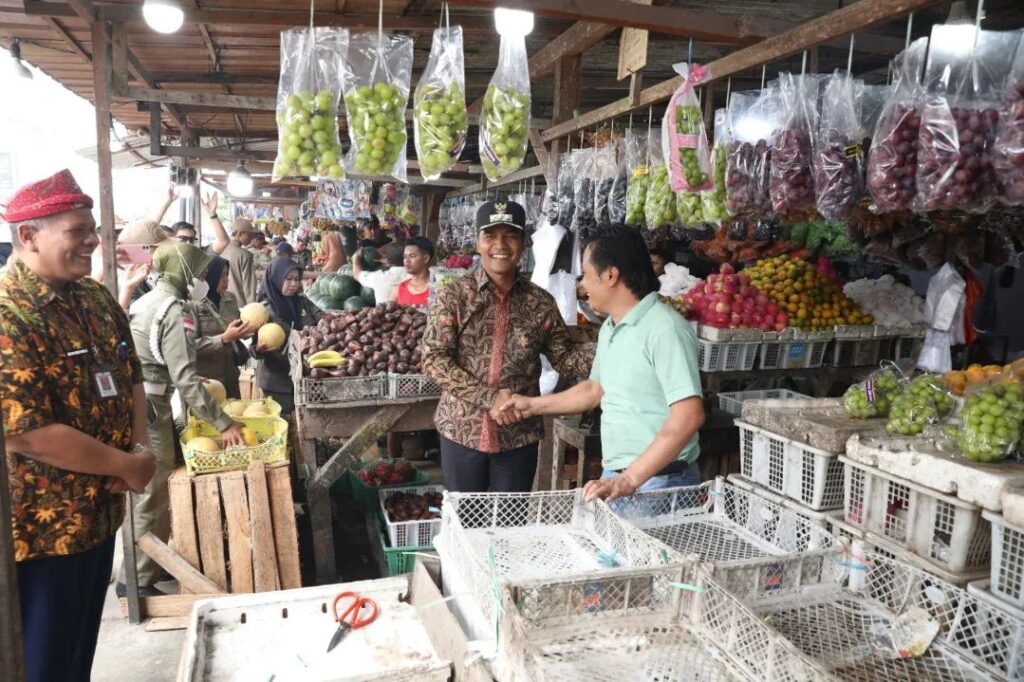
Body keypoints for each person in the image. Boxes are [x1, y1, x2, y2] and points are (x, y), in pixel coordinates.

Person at [0, 169, 157, 681]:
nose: (93, 240)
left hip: (98, 517)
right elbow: (26, 432)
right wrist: (125, 465)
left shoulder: (94, 298)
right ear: (29, 235)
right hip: (43, 533)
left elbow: (131, 375)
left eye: (93, 230)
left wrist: (138, 450)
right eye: (78, 230)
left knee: (77, 657)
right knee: (42, 663)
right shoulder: (9, 313)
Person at [501, 224, 705, 503]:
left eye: (586, 274)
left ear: (610, 275)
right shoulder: (611, 326)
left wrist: (630, 478)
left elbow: (689, 415)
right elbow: (595, 389)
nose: (582, 284)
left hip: (661, 483)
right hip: (622, 477)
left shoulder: (665, 329)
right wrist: (532, 406)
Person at [422, 201, 593, 493]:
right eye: (490, 236)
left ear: (524, 244)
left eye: (510, 236)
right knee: (464, 516)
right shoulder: (454, 295)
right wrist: (489, 398)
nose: (500, 245)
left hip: (518, 436)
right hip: (461, 430)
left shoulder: (540, 302)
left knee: (510, 518)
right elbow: (434, 359)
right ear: (478, 242)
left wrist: (611, 351)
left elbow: (564, 357)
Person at [127, 243, 246, 595]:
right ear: (184, 271)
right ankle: (137, 579)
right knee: (153, 488)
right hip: (152, 405)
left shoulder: (147, 301)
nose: (202, 279)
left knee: (154, 486)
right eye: (199, 272)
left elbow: (175, 356)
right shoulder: (174, 310)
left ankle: (151, 563)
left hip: (145, 401)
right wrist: (224, 423)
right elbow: (185, 379)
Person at [252, 257, 322, 414]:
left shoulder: (303, 302)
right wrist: (258, 350)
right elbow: (252, 347)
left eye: (297, 279)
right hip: (277, 381)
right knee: (283, 422)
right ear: (276, 278)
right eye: (288, 279)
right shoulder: (263, 310)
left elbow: (323, 319)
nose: (294, 284)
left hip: (305, 378)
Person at [195, 256, 254, 399]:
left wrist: (247, 330)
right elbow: (188, 346)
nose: (226, 280)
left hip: (231, 375)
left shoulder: (230, 299)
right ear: (209, 276)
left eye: (227, 275)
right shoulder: (193, 304)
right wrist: (223, 339)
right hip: (206, 380)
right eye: (222, 276)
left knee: (234, 410)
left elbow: (238, 326)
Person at [202, 192, 258, 306]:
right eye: (249, 234)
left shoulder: (218, 251)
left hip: (218, 302)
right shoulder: (245, 255)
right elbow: (249, 287)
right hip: (239, 305)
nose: (251, 237)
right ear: (240, 234)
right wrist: (252, 308)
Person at [392, 236, 433, 306]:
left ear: (426, 259)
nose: (406, 261)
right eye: (405, 257)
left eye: (412, 256)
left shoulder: (438, 289)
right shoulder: (397, 290)